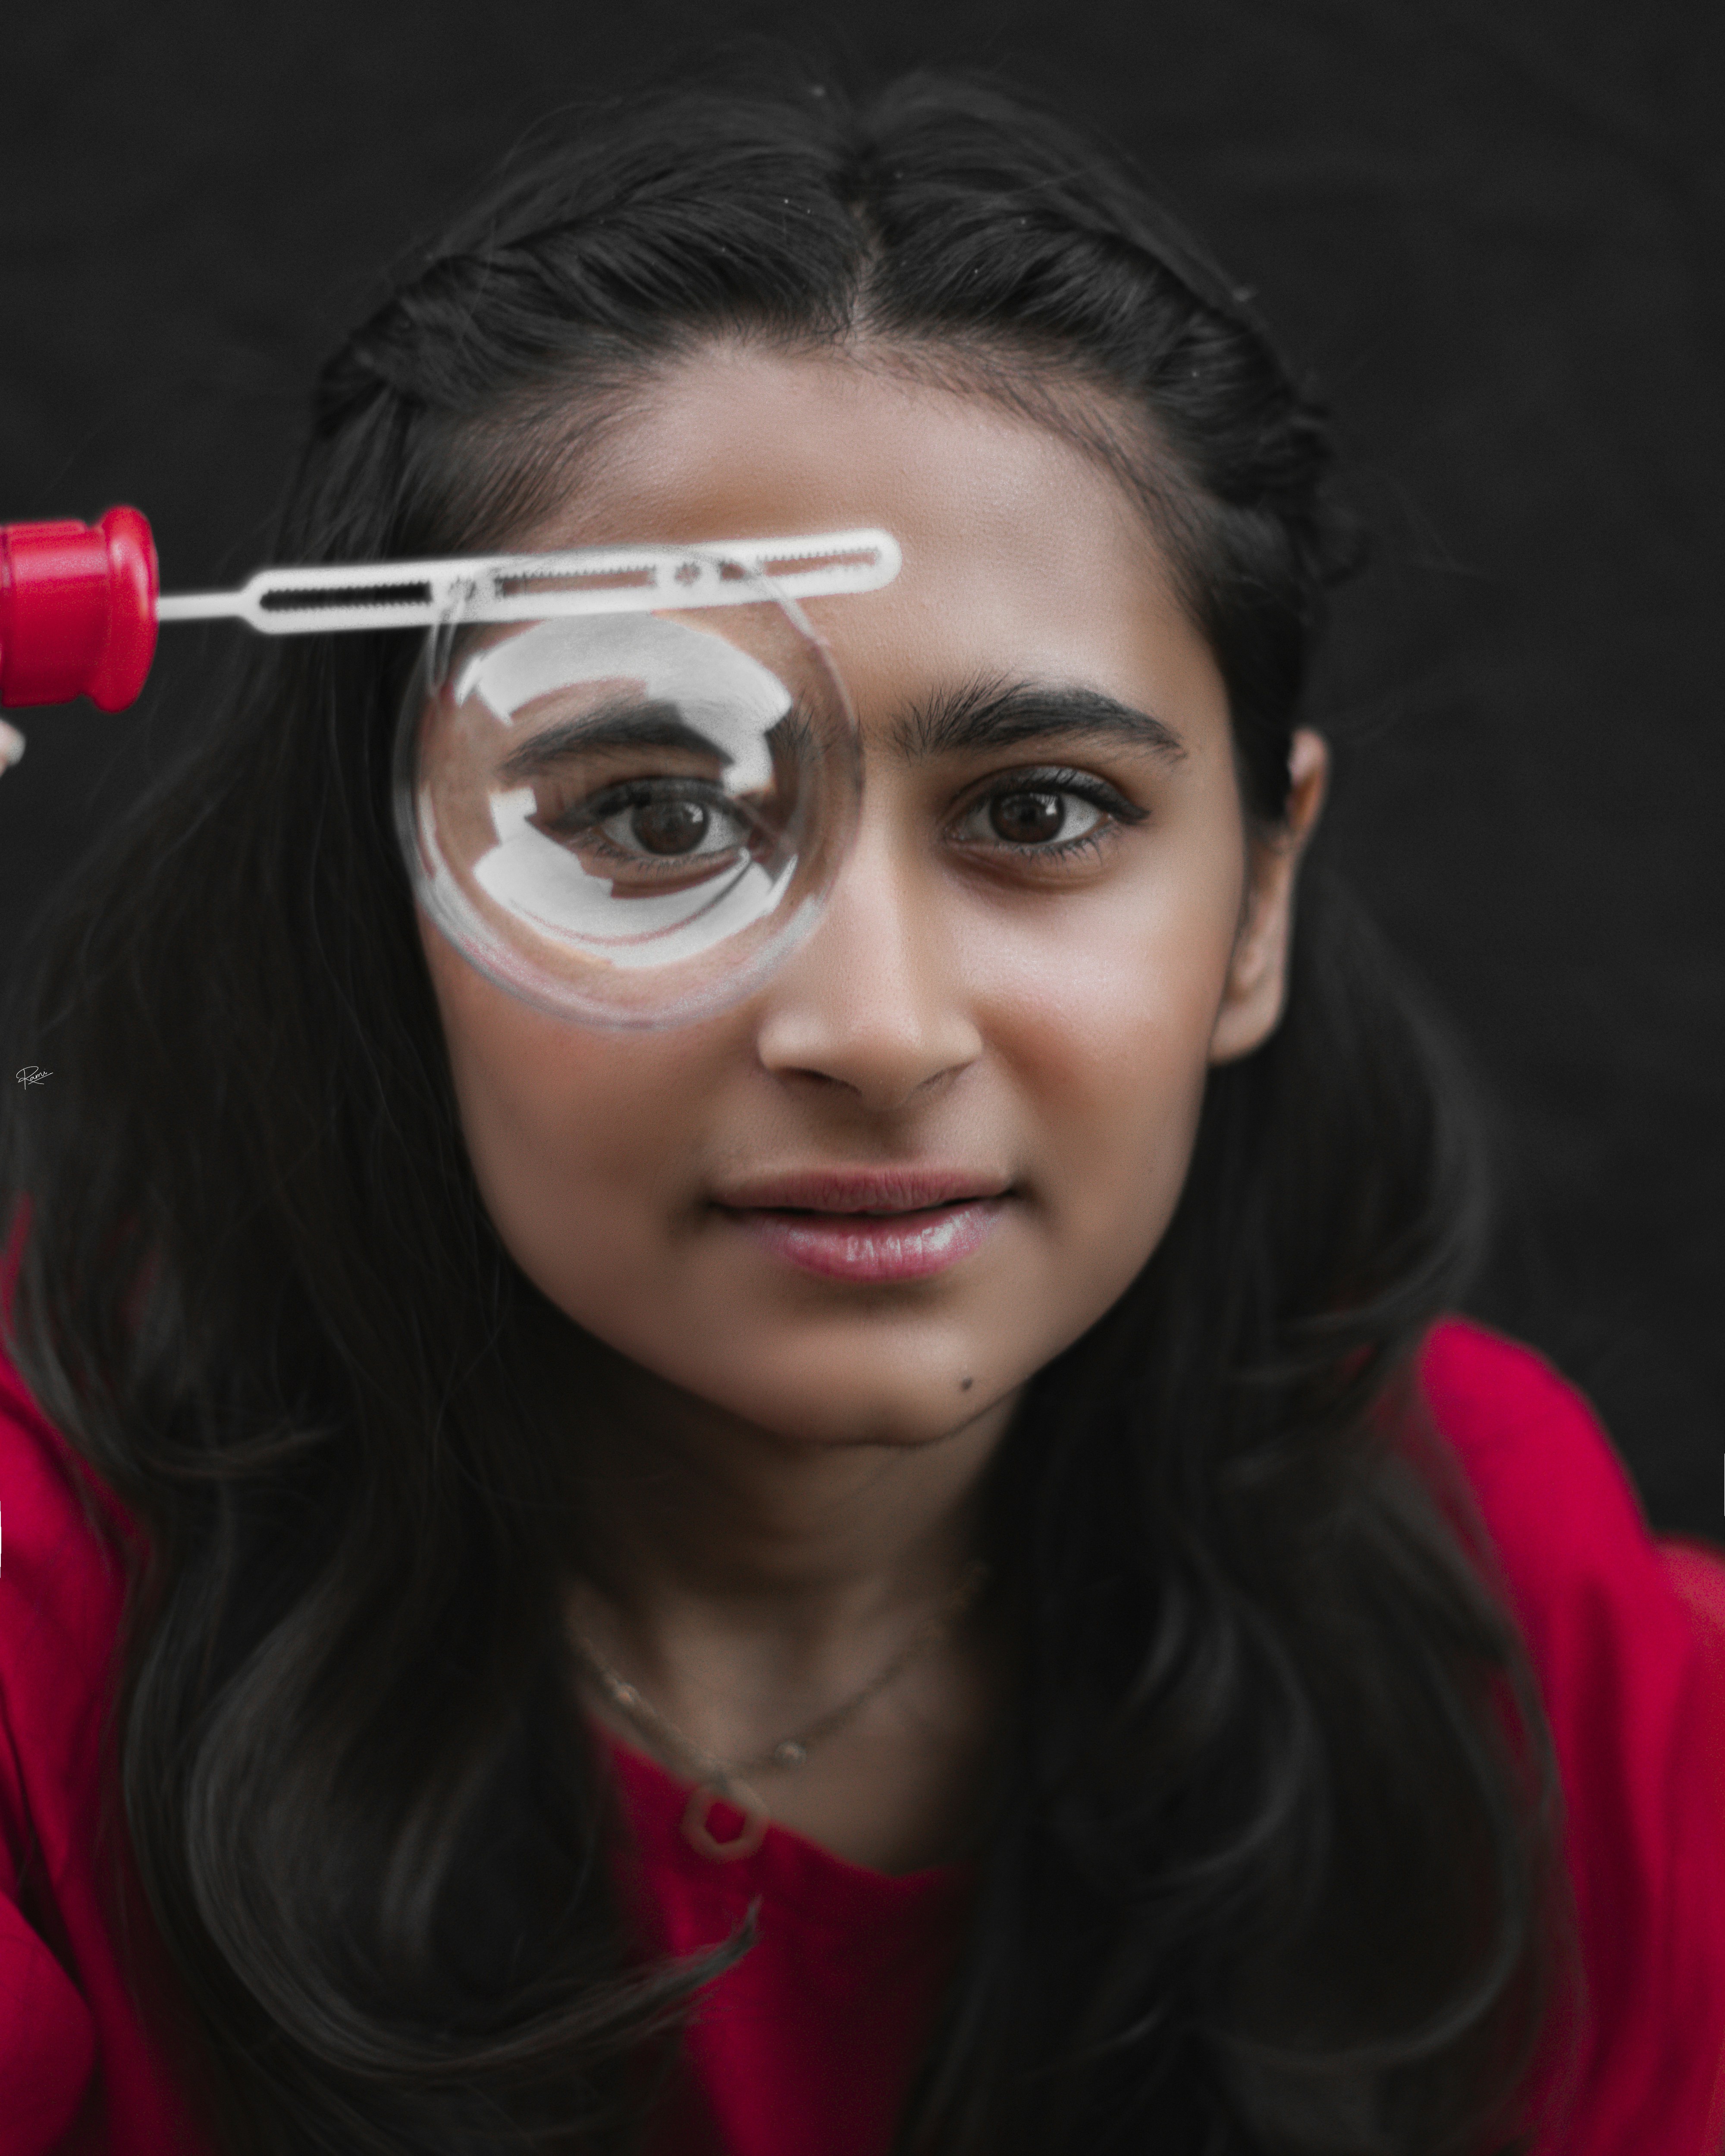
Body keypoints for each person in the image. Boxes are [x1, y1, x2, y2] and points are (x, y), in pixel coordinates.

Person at [2, 58, 1723, 2156]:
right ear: (394, 897)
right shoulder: (39, 1626)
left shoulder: (1499, 1613)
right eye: (647, 812)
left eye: (1041, 810)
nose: (875, 1024)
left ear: (1257, 903)